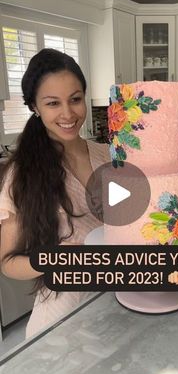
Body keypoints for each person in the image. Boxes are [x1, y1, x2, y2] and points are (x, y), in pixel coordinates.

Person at [0, 48, 110, 338]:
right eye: (52, 103)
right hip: (63, 313)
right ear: (35, 107)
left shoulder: (108, 156)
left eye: (75, 99)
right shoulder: (23, 173)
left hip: (115, 297)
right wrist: (52, 258)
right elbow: (8, 263)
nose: (68, 114)